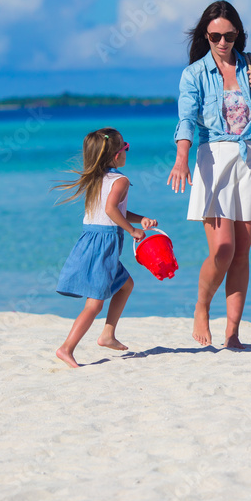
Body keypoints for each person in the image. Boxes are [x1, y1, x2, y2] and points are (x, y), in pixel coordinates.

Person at [168, 0, 251, 349]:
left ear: (239, 35)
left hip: (249, 157)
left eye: (230, 35)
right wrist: (181, 157)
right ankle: (201, 306)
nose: (223, 42)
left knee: (242, 252)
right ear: (206, 35)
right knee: (223, 248)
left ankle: (233, 333)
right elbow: (185, 118)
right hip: (213, 158)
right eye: (215, 36)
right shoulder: (194, 74)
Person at [53, 128, 158, 368]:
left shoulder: (96, 178)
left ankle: (107, 335)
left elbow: (112, 210)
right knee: (95, 304)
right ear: (116, 156)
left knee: (125, 285)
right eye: (126, 148)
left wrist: (139, 219)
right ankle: (66, 348)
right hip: (104, 244)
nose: (127, 152)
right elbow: (111, 210)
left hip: (91, 240)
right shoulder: (120, 180)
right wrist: (132, 231)